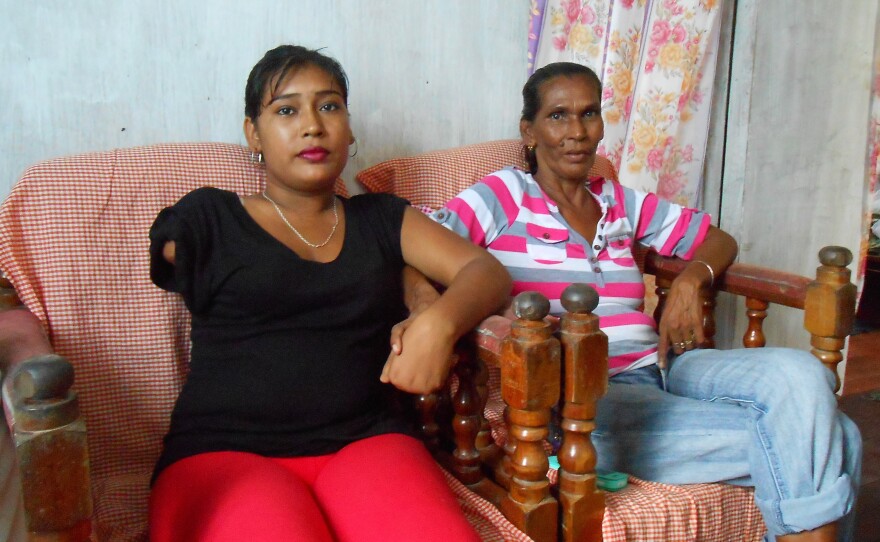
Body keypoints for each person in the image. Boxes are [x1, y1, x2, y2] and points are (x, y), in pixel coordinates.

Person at [429, 61, 862, 541]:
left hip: (668, 366)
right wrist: (462, 312)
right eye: (558, 116)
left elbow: (716, 239)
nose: (576, 131)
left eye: (589, 113)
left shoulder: (618, 201)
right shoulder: (506, 193)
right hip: (593, 400)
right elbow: (422, 247)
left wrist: (689, 281)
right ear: (528, 130)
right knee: (840, 438)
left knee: (802, 376)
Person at [147, 44, 511, 542]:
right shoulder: (211, 217)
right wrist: (410, 282)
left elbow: (485, 271)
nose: (312, 125)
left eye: (330, 105)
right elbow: (171, 251)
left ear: (350, 127)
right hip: (226, 450)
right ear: (252, 132)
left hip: (367, 441)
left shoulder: (381, 219)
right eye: (286, 110)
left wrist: (438, 321)